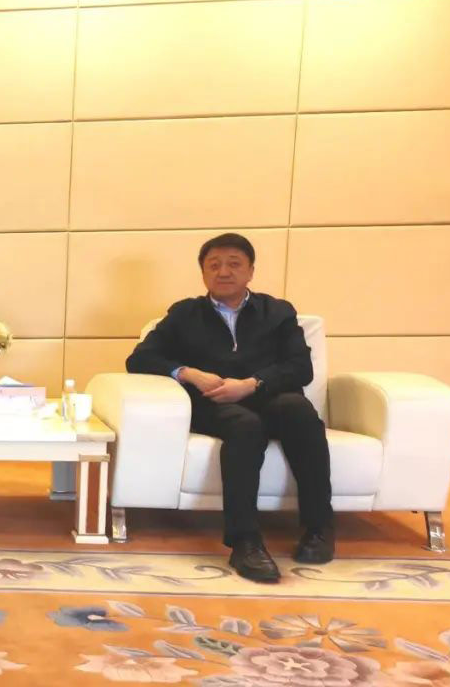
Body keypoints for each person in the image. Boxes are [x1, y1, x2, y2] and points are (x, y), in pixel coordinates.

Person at [126, 233, 334, 583]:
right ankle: (245, 542)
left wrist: (252, 383)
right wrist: (189, 373)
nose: (224, 272)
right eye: (214, 265)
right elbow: (140, 359)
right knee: (245, 425)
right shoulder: (184, 313)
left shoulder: (278, 312)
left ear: (251, 271)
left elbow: (300, 368)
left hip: (267, 396)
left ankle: (319, 528)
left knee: (299, 411)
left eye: (234, 264)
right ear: (203, 273)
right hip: (214, 404)